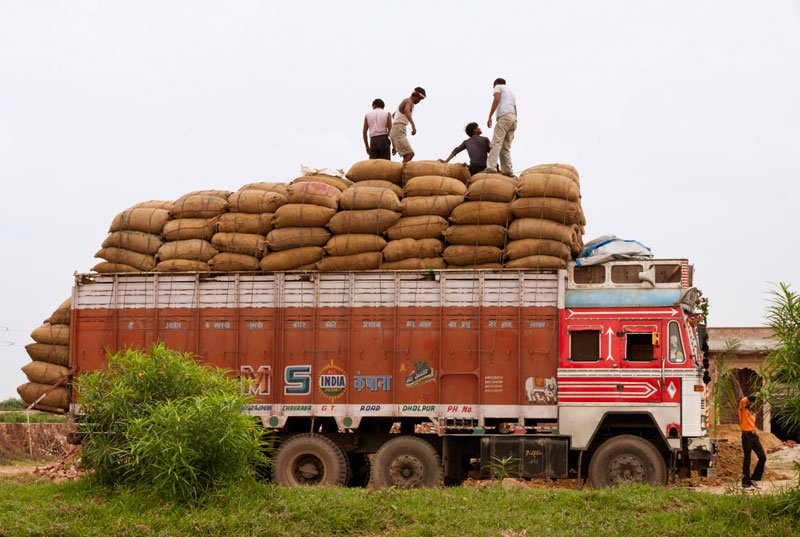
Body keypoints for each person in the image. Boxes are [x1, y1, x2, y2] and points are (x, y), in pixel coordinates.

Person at [483, 77, 517, 176]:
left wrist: (489, 116)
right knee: (505, 147)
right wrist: (515, 121)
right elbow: (515, 108)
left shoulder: (498, 86)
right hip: (513, 119)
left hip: (504, 117)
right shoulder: (512, 93)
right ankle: (508, 170)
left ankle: (491, 167)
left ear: (495, 84)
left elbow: (496, 99)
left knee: (496, 142)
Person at [389, 87, 426, 163]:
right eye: (419, 99)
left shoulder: (405, 101)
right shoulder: (409, 101)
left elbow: (394, 115)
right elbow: (406, 110)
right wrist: (413, 125)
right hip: (399, 129)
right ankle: (399, 173)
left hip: (397, 129)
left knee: (406, 155)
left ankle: (402, 172)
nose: (419, 101)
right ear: (416, 95)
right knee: (410, 154)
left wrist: (394, 143)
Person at [739, 394, 767, 488]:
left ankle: (754, 478)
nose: (751, 403)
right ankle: (745, 482)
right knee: (747, 458)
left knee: (762, 457)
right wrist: (755, 394)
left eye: (752, 402)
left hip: (754, 436)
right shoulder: (743, 410)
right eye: (751, 401)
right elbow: (743, 400)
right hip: (746, 437)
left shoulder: (753, 413)